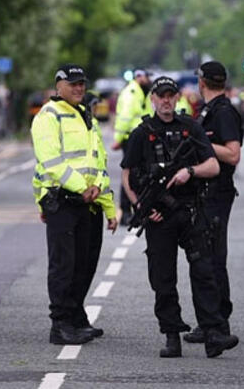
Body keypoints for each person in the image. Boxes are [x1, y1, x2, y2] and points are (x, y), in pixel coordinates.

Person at [121, 76, 239, 358]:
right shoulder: (141, 133)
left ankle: (213, 333)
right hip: (159, 216)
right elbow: (127, 176)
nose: (165, 100)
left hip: (190, 211)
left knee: (204, 272)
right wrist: (142, 207)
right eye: (160, 95)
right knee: (163, 277)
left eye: (170, 95)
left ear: (177, 98)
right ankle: (171, 335)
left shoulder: (190, 128)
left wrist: (190, 172)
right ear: (152, 99)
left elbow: (213, 166)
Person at [31, 64, 106, 345]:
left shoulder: (85, 115)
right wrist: (82, 187)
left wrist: (100, 191)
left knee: (84, 263)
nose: (79, 88)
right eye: (73, 84)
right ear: (58, 86)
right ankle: (60, 325)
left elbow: (97, 158)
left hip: (88, 201)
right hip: (62, 200)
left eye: (82, 84)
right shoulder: (47, 117)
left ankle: (76, 316)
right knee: (64, 264)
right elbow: (51, 161)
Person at [183, 61, 242, 345]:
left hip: (217, 192)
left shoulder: (224, 112)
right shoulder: (208, 110)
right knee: (204, 256)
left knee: (214, 257)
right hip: (203, 192)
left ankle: (219, 322)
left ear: (202, 83)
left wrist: (198, 141)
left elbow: (232, 154)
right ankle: (209, 321)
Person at [71, 92, 118, 336]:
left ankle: (78, 315)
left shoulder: (93, 130)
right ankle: (71, 317)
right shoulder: (71, 128)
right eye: (89, 106)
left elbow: (101, 171)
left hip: (94, 205)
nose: (92, 111)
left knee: (88, 265)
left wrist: (110, 209)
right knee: (74, 266)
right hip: (74, 203)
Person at [112, 69, 153, 225]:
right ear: (138, 77)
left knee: (140, 174)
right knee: (129, 174)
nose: (148, 79)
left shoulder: (143, 92)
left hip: (141, 136)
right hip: (130, 137)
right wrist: (118, 138)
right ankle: (125, 212)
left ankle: (137, 211)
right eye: (145, 76)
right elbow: (125, 117)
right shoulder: (131, 92)